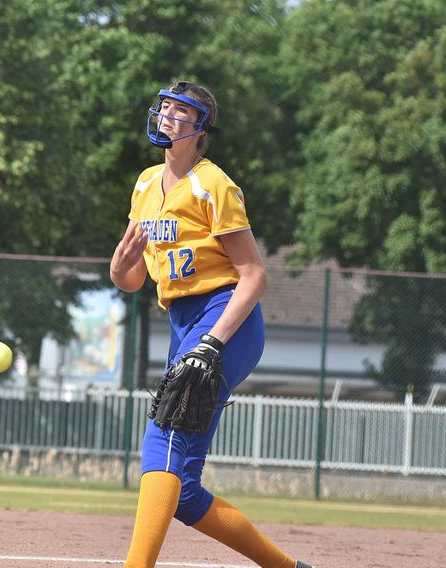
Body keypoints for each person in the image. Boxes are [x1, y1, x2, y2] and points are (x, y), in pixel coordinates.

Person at [110, 81, 312, 568]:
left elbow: (255, 275)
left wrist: (212, 342)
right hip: (183, 321)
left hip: (225, 319)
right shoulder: (143, 184)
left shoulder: (212, 184)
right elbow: (135, 278)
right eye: (166, 108)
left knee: (163, 441)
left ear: (201, 128)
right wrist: (118, 269)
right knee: (181, 492)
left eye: (183, 112)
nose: (168, 117)